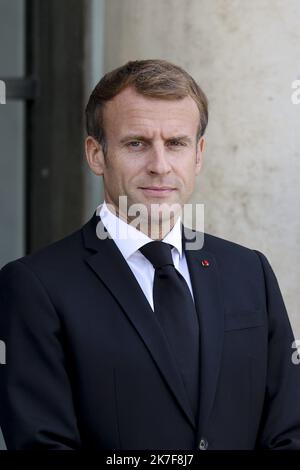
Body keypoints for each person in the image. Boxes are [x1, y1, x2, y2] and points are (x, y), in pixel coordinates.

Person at [0, 59, 300, 450]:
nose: (159, 166)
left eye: (176, 143)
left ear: (198, 154)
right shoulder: (35, 286)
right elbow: (43, 445)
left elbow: (289, 430)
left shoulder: (250, 271)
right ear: (95, 154)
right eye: (136, 143)